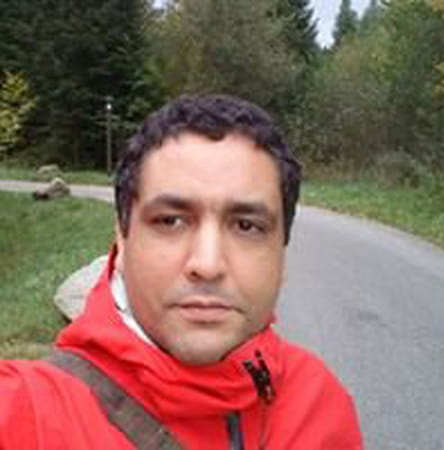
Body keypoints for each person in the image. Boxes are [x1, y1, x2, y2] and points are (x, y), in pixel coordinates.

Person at [0, 94, 363, 449]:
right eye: (170, 221)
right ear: (122, 239)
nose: (207, 264)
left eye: (246, 226)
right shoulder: (26, 410)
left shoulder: (320, 407)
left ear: (282, 252)